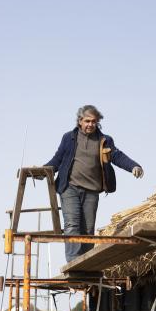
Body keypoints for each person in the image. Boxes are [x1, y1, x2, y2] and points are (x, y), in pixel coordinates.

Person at [45, 105, 143, 262]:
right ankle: (73, 263)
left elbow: (117, 156)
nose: (90, 124)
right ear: (80, 121)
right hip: (69, 187)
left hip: (92, 190)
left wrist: (133, 166)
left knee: (88, 229)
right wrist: (44, 170)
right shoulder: (69, 138)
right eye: (87, 121)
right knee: (72, 225)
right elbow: (57, 159)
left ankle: (84, 262)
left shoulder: (104, 140)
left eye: (94, 122)